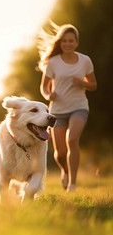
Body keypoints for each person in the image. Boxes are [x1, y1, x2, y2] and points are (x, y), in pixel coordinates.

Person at [38, 21, 97, 192]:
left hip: (79, 107)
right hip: (57, 110)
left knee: (72, 140)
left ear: (76, 42)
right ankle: (65, 170)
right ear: (60, 43)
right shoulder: (53, 62)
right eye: (64, 41)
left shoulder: (85, 61)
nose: (67, 44)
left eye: (71, 40)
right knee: (60, 153)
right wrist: (49, 95)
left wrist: (82, 83)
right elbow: (44, 86)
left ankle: (72, 183)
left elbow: (93, 84)